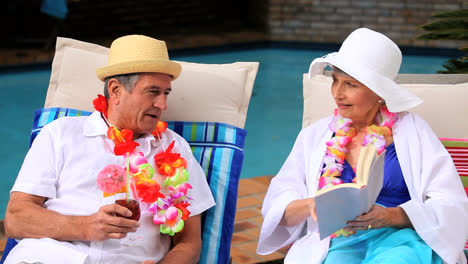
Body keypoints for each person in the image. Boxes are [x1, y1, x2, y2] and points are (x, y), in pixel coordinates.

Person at [256, 28, 468, 264]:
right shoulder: (314, 136)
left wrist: (393, 215)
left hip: (402, 238)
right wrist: (312, 205)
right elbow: (278, 207)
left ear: (379, 92)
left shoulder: (413, 130)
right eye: (335, 80)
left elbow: (450, 201)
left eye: (350, 84)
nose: (338, 93)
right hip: (339, 240)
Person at [4, 35, 215, 264]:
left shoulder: (175, 150)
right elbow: (16, 219)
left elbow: (189, 243)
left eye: (166, 93)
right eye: (153, 92)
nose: (162, 105)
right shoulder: (61, 133)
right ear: (115, 90)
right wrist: (85, 226)